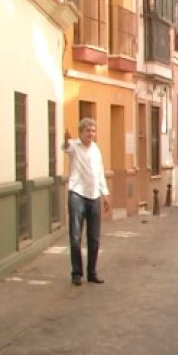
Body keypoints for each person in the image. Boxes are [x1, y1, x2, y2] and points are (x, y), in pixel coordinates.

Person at [61, 117, 110, 286]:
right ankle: (76, 273)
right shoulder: (74, 146)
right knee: (75, 236)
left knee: (94, 237)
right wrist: (66, 140)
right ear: (81, 132)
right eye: (88, 131)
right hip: (77, 194)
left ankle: (92, 272)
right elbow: (65, 147)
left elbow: (100, 173)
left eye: (93, 131)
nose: (91, 134)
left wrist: (105, 194)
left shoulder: (96, 149)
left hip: (94, 195)